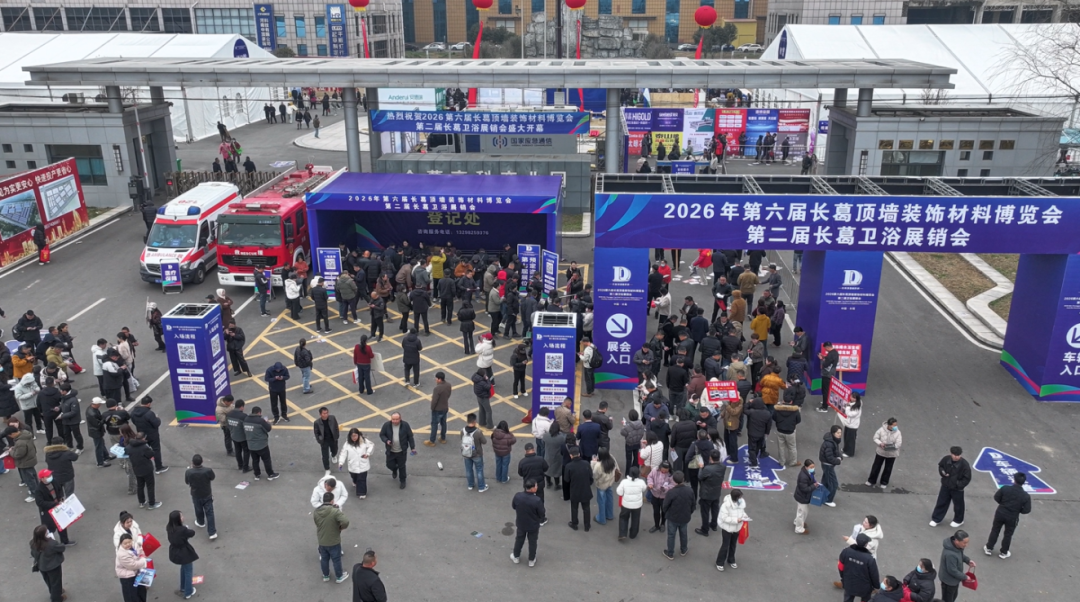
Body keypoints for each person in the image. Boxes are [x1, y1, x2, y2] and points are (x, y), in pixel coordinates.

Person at [984, 472, 1032, 559]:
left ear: (1014, 480)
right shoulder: (1025, 496)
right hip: (1013, 516)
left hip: (1000, 512)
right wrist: (1018, 510)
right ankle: (1004, 552)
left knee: (995, 530)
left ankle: (989, 548)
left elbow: (996, 497)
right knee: (1008, 534)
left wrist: (1002, 504)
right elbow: (1027, 510)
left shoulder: (1005, 488)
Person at [313, 490, 351, 583]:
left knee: (324, 559)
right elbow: (345, 521)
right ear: (332, 501)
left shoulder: (316, 511)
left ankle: (326, 576)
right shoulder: (335, 511)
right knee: (336, 559)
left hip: (322, 540)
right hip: (334, 541)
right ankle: (339, 576)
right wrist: (340, 527)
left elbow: (317, 523)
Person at [931, 446, 972, 528]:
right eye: (955, 455)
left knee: (958, 505)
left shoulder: (965, 465)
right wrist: (943, 473)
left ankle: (958, 520)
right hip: (946, 485)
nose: (956, 457)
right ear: (951, 454)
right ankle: (936, 519)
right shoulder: (946, 459)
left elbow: (967, 478)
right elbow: (941, 466)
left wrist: (958, 484)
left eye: (958, 455)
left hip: (957, 489)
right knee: (941, 502)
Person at [511, 478, 546, 567]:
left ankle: (516, 556)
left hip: (521, 523)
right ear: (533, 488)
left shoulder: (518, 496)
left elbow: (514, 506)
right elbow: (542, 513)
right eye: (536, 485)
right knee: (532, 542)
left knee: (519, 540)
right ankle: (531, 559)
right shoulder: (537, 500)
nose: (537, 487)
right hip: (533, 525)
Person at [661, 470, 695, 560]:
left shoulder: (671, 492)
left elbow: (665, 506)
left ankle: (670, 553)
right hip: (685, 517)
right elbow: (693, 504)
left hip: (673, 517)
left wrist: (667, 513)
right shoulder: (690, 490)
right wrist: (689, 512)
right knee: (683, 533)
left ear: (674, 480)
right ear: (683, 479)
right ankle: (684, 550)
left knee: (671, 535)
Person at [125, 426, 162, 509]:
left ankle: (141, 502)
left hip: (136, 469)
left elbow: (126, 452)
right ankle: (151, 503)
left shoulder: (129, 447)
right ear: (143, 438)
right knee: (150, 486)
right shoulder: (145, 447)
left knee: (140, 486)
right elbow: (151, 454)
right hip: (147, 469)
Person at [35, 468, 74, 545]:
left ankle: (65, 541)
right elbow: (40, 503)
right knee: (49, 529)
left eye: (50, 474)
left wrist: (61, 497)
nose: (50, 476)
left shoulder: (54, 481)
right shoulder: (39, 490)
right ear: (42, 479)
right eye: (48, 476)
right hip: (48, 512)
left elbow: (59, 490)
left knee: (62, 525)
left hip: (58, 507)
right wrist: (54, 503)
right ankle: (48, 545)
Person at [838, 532, 880, 602]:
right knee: (865, 599)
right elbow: (874, 574)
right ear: (866, 544)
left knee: (848, 598)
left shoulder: (846, 551)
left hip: (849, 582)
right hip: (865, 586)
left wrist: (843, 577)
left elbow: (840, 566)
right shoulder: (869, 559)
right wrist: (876, 586)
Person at [167, 510, 199, 599]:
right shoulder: (182, 530)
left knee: (184, 568)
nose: (183, 517)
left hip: (175, 551)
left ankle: (183, 587)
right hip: (185, 552)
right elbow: (192, 533)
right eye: (181, 516)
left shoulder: (169, 527)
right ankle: (188, 592)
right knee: (188, 571)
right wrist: (186, 528)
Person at [715, 488, 750, 571]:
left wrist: (744, 516)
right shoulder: (726, 506)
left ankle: (731, 560)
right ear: (736, 497)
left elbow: (742, 512)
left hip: (737, 528)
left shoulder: (740, 503)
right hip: (727, 528)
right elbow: (724, 518)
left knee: (733, 544)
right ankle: (719, 562)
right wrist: (736, 520)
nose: (741, 498)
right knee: (725, 545)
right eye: (740, 497)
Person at [30, 524, 66, 602]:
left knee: (48, 581)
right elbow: (62, 548)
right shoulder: (51, 543)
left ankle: (53, 592)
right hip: (53, 566)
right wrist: (53, 540)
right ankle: (57, 598)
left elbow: (33, 554)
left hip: (42, 566)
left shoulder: (33, 543)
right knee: (56, 582)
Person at [184, 454, 217, 540]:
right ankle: (212, 532)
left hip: (196, 494)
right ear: (202, 461)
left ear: (192, 462)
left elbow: (187, 482)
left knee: (198, 508)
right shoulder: (208, 470)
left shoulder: (189, 472)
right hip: (207, 493)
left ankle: (200, 522)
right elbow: (212, 477)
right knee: (209, 512)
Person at [131, 396, 167, 473]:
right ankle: (159, 467)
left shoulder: (133, 412)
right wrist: (157, 418)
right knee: (156, 450)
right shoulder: (149, 413)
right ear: (148, 404)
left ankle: (143, 466)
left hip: (141, 434)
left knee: (142, 449)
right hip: (152, 434)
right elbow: (156, 424)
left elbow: (134, 422)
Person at [379, 412, 415, 489]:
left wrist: (412, 447)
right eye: (393, 419)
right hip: (391, 451)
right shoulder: (386, 425)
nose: (395, 421)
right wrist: (386, 440)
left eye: (396, 419)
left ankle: (403, 481)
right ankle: (394, 469)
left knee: (402, 466)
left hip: (401, 451)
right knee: (389, 465)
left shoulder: (405, 425)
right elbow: (382, 434)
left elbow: (410, 436)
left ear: (400, 419)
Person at [244, 406, 280, 481]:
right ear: (259, 413)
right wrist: (267, 422)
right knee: (266, 460)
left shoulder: (246, 419)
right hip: (261, 445)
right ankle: (270, 474)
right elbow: (268, 429)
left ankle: (257, 474)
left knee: (255, 460)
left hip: (251, 445)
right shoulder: (260, 421)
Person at [866, 418, 902, 489]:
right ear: (889, 425)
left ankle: (884, 482)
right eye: (894, 425)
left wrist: (889, 447)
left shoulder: (898, 433)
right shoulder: (881, 430)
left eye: (896, 425)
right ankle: (871, 480)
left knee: (888, 468)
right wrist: (880, 443)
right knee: (876, 466)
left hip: (892, 454)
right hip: (881, 452)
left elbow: (898, 443)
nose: (895, 427)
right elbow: (875, 438)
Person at [563, 445, 593, 531]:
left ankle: (574, 524)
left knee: (574, 508)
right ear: (579, 454)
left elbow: (566, 479)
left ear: (571, 455)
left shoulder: (569, 466)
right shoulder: (586, 464)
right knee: (586, 508)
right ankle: (587, 526)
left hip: (574, 490)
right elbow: (590, 476)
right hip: (585, 490)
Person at [696, 450, 725, 536]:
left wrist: (701, 467)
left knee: (705, 512)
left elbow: (700, 477)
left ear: (710, 458)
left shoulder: (708, 469)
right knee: (715, 509)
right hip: (716, 492)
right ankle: (714, 524)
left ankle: (705, 529)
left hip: (706, 493)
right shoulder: (722, 467)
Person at [940, 530, 975, 602]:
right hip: (949, 582)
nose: (966, 545)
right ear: (956, 541)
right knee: (948, 599)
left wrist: (967, 560)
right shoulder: (950, 554)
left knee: (953, 596)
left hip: (954, 580)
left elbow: (959, 555)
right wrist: (965, 577)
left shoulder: (956, 547)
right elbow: (952, 570)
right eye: (964, 543)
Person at [338, 429, 374, 499]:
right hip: (353, 464)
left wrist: (368, 453)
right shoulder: (347, 444)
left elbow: (371, 445)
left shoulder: (364, 441)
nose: (354, 438)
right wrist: (341, 462)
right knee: (354, 476)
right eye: (352, 436)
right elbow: (343, 453)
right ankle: (354, 481)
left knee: (362, 478)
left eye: (355, 436)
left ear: (358, 435)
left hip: (362, 464)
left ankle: (362, 493)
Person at [615, 465, 648, 541]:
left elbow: (619, 492)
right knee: (635, 519)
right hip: (637, 505)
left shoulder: (624, 482)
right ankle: (633, 534)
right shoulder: (641, 482)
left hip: (626, 504)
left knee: (623, 518)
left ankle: (622, 534)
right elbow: (644, 489)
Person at [115, 531, 148, 602]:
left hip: (138, 573)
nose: (128, 544)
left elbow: (141, 551)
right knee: (131, 597)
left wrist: (142, 556)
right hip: (128, 577)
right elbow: (132, 565)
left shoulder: (135, 545)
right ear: (121, 544)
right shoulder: (122, 554)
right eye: (125, 543)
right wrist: (143, 561)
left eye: (129, 542)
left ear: (132, 540)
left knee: (141, 592)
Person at [460, 412, 489, 492]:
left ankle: (470, 485)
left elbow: (461, 439)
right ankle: (481, 487)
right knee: (479, 470)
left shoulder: (462, 431)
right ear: (474, 421)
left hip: (466, 453)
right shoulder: (477, 432)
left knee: (468, 469)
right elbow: (484, 441)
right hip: (477, 454)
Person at [819, 425, 842, 507]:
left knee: (825, 481)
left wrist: (839, 456)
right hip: (828, 465)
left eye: (840, 432)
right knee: (833, 483)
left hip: (826, 464)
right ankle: (828, 500)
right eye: (838, 433)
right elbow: (829, 457)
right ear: (833, 433)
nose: (840, 434)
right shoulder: (830, 443)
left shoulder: (832, 440)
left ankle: (822, 496)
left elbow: (836, 451)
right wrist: (838, 460)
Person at [793, 459, 817, 534]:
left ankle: (798, 522)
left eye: (813, 466)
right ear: (806, 467)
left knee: (803, 511)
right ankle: (799, 528)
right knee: (802, 513)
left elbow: (812, 480)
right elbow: (805, 489)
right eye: (811, 467)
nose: (813, 468)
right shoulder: (803, 476)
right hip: (802, 497)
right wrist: (814, 486)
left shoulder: (808, 473)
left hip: (803, 496)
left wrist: (814, 483)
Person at [314, 407, 340, 475]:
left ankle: (333, 455)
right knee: (325, 456)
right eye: (324, 413)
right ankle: (327, 469)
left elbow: (336, 427)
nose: (326, 415)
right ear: (320, 414)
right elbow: (316, 433)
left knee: (335, 450)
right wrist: (319, 440)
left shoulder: (332, 418)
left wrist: (337, 435)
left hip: (332, 438)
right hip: (324, 440)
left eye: (327, 413)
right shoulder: (317, 423)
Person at [226, 398, 249, 472]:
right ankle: (245, 467)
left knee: (238, 451)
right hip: (243, 437)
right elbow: (246, 427)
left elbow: (227, 425)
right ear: (241, 407)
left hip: (234, 436)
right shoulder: (243, 416)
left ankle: (240, 465)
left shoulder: (229, 414)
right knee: (246, 451)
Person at [492, 420, 517, 484]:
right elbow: (514, 440)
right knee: (505, 465)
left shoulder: (494, 433)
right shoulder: (508, 435)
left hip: (497, 452)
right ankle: (504, 479)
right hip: (506, 453)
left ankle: (498, 477)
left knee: (498, 464)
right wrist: (510, 433)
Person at [542, 421, 566, 490]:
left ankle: (548, 483)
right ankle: (557, 485)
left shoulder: (545, 436)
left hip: (548, 455)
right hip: (557, 456)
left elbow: (543, 444)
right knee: (556, 471)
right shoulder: (561, 438)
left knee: (547, 470)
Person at [839, 393, 862, 457]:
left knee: (850, 439)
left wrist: (847, 407)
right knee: (846, 437)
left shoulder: (856, 407)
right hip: (848, 423)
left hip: (852, 425)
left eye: (852, 397)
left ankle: (850, 453)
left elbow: (849, 414)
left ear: (855, 399)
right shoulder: (852, 403)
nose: (850, 398)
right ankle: (845, 449)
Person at [819, 342, 839, 412]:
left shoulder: (830, 354)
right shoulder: (835, 352)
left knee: (825, 390)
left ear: (827, 347)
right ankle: (827, 402)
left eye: (825, 348)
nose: (825, 350)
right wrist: (825, 357)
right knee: (828, 389)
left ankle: (824, 407)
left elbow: (825, 365)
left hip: (827, 374)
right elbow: (830, 360)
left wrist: (821, 359)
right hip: (832, 373)